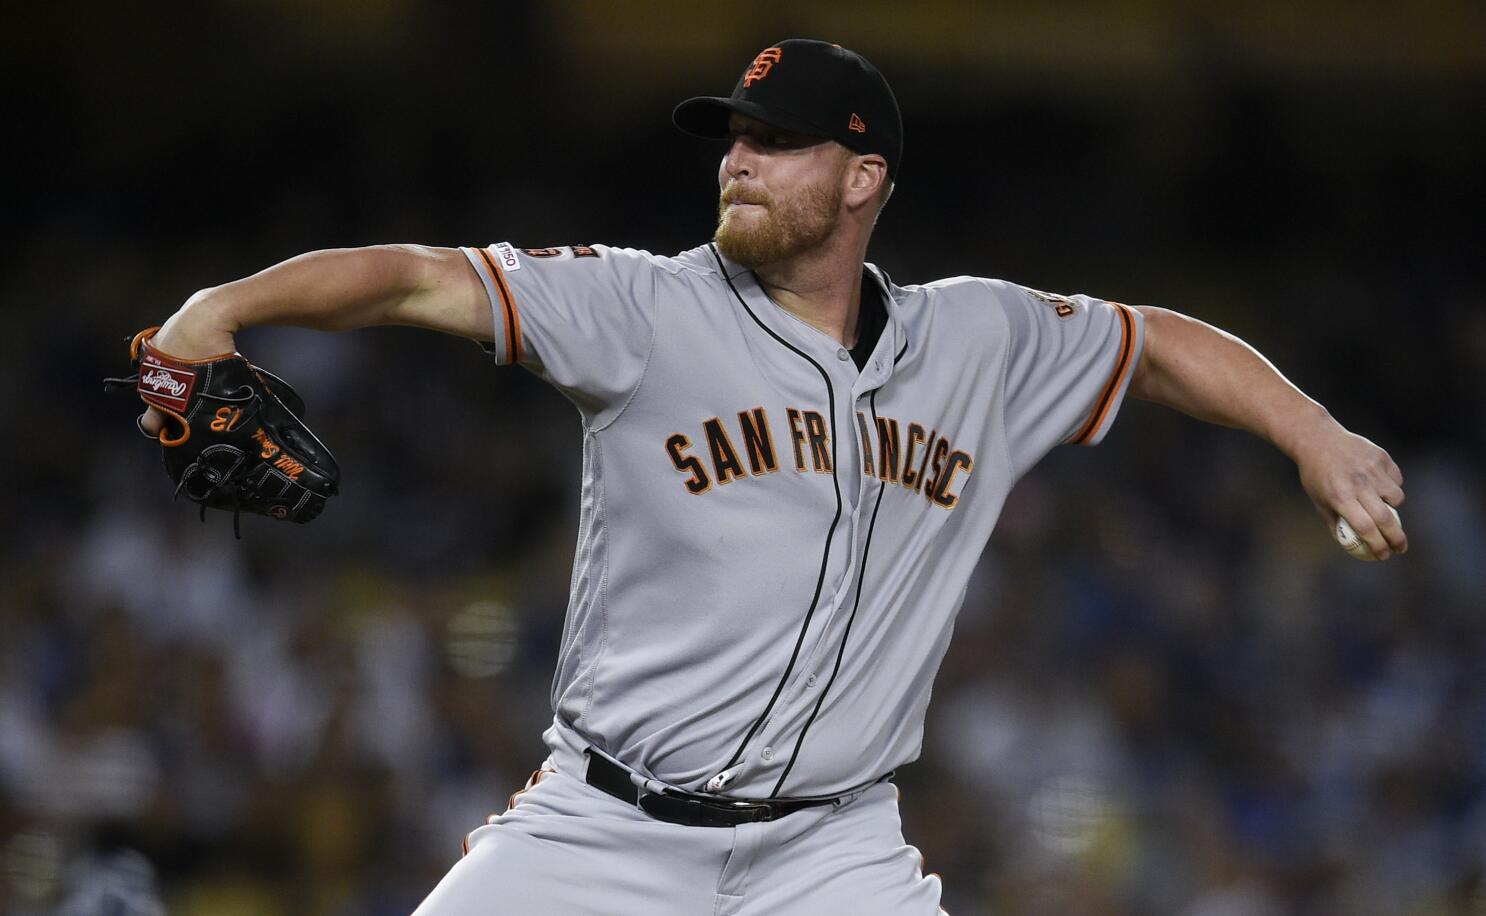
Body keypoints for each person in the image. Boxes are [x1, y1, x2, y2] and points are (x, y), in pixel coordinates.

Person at [137, 38, 1407, 916]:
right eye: (735, 135)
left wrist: (1311, 432)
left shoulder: (981, 341)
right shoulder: (640, 306)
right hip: (604, 829)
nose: (739, 157)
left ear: (863, 181)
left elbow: (1160, 343)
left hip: (831, 845)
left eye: (780, 141)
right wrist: (223, 304)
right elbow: (415, 274)